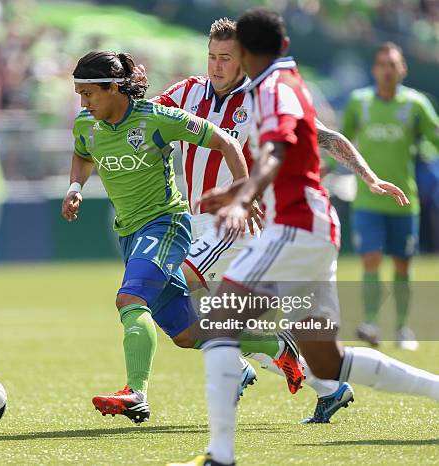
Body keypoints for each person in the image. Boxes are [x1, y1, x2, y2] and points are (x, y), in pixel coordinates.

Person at [170, 8, 439, 466]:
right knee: (327, 362)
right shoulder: (289, 83)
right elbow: (318, 142)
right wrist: (369, 177)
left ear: (248, 55)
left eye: (234, 55)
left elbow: (274, 157)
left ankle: (220, 456)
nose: (223, 64)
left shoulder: (271, 90)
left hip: (292, 225)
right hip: (315, 227)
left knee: (217, 328)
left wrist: (242, 194)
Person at [63, 50, 249, 424]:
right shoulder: (86, 124)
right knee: (187, 333)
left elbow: (227, 143)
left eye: (89, 94)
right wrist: (74, 186)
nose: (83, 102)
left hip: (166, 224)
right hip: (129, 234)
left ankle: (135, 393)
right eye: (79, 94)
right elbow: (83, 155)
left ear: (114, 88)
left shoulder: (157, 119)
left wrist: (243, 195)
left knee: (129, 298)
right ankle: (277, 344)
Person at [341, 42, 439, 350]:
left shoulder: (416, 104)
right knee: (370, 259)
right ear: (374, 69)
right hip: (367, 199)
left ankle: (401, 328)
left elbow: (435, 136)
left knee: (402, 265)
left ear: (403, 70)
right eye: (382, 64)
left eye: (392, 64)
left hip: (404, 200)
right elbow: (341, 143)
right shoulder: (359, 102)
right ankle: (370, 322)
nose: (387, 70)